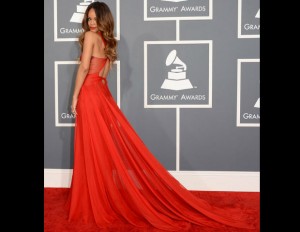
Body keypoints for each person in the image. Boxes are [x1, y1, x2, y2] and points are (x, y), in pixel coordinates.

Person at [65, 2, 257, 231]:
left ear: (103, 19)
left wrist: (75, 96)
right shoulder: (107, 41)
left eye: (95, 19)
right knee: (99, 148)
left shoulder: (89, 37)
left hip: (90, 95)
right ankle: (99, 199)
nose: (91, 23)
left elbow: (85, 68)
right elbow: (103, 74)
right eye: (89, 19)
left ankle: (93, 201)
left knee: (91, 148)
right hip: (102, 95)